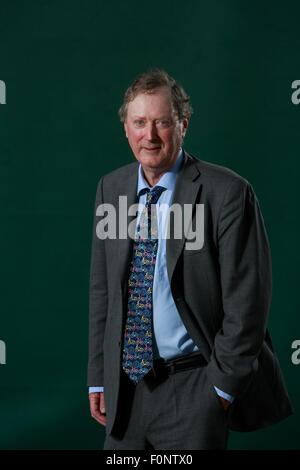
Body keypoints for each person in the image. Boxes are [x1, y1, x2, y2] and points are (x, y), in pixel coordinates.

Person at [87, 69, 292, 450]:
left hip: (195, 389)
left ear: (183, 124)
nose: (149, 135)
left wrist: (220, 390)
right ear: (126, 129)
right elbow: (104, 291)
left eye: (162, 122)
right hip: (126, 392)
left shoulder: (227, 193)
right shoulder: (110, 189)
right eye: (139, 123)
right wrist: (99, 376)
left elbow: (248, 301)